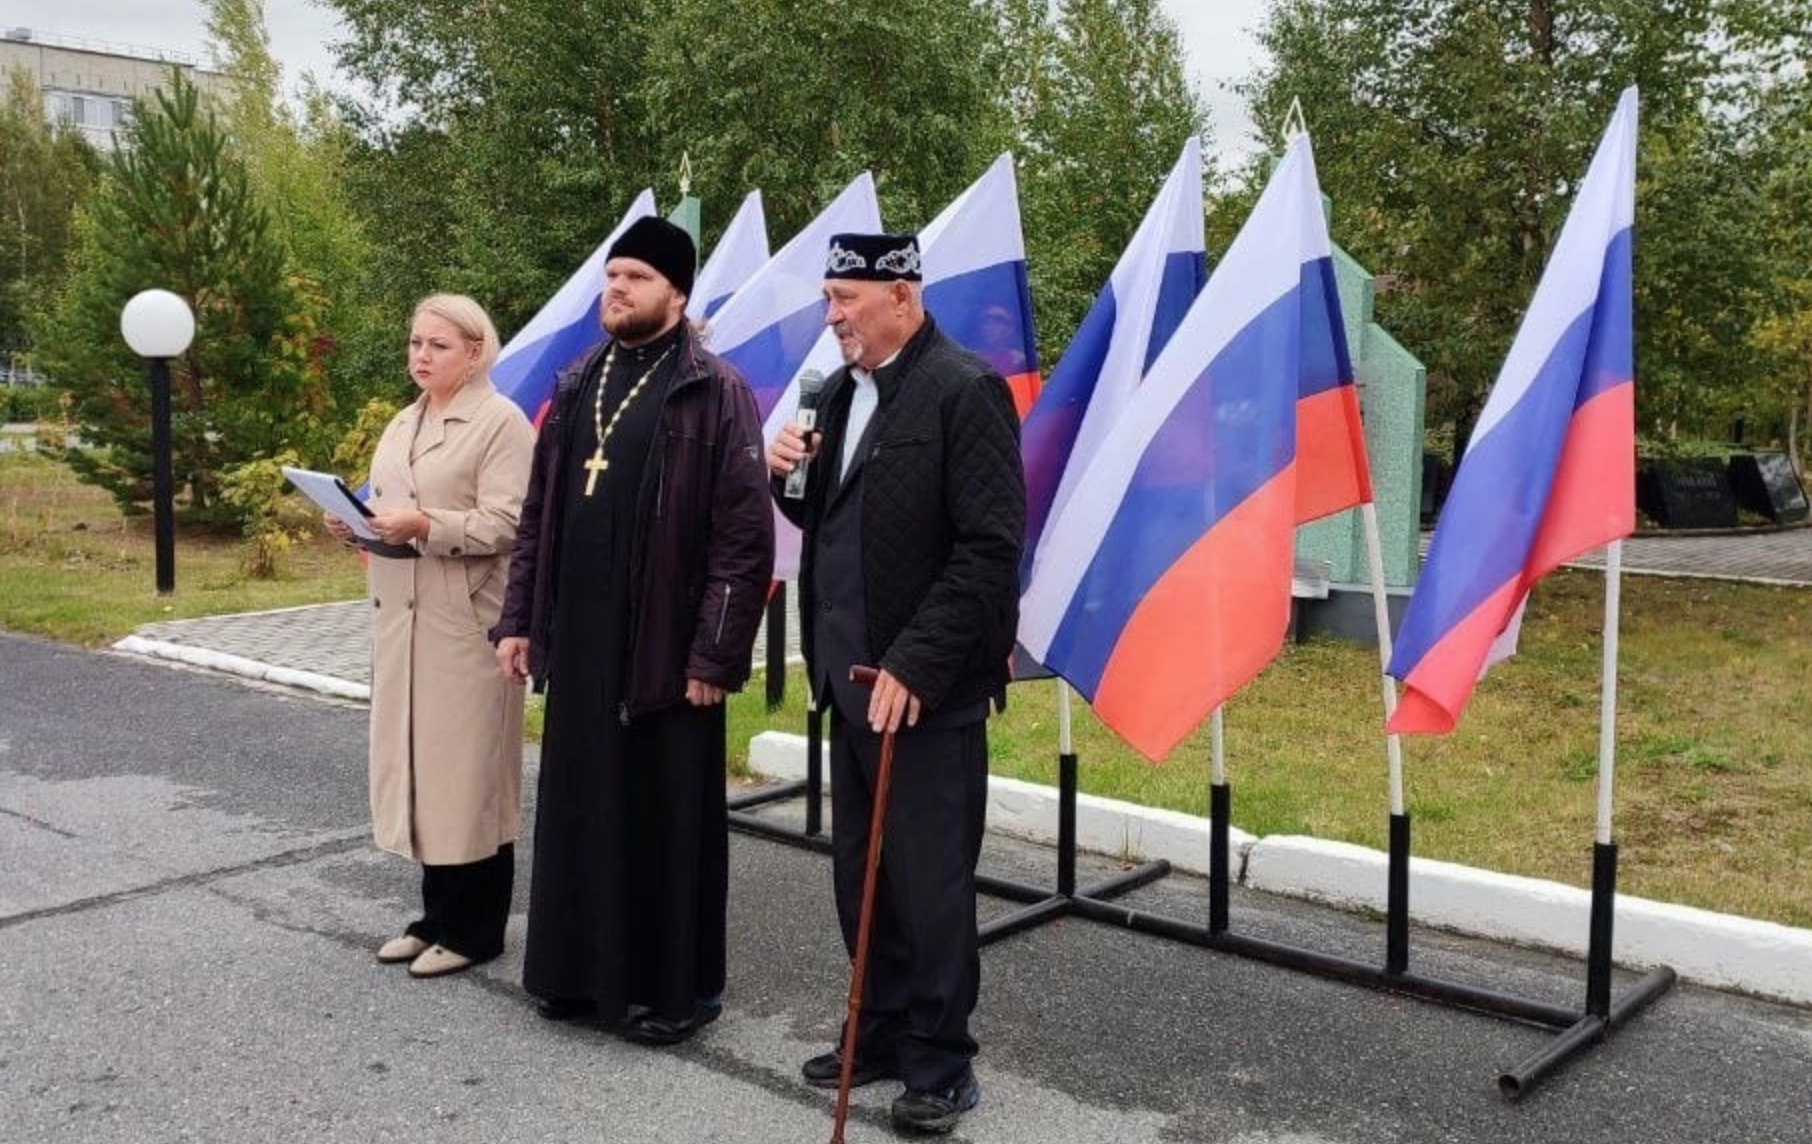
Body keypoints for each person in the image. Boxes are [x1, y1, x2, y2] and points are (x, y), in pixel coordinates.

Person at [492, 215, 773, 1044]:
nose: (616, 291)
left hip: (667, 647)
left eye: (637, 280)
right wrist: (520, 622)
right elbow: (539, 513)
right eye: (612, 278)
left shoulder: (714, 391)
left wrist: (715, 654)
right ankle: (573, 976)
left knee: (665, 818)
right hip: (580, 644)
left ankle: (673, 994)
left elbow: (743, 538)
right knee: (582, 806)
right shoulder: (580, 381)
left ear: (678, 295)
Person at [767, 233, 1025, 1134]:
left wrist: (917, 660)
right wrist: (784, 481)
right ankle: (874, 1029)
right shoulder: (839, 393)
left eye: (845, 298)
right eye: (830, 298)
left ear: (903, 298)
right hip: (849, 682)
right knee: (859, 878)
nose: (831, 316)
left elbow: (990, 551)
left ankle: (941, 1062)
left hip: (925, 690)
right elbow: (831, 517)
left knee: (929, 882)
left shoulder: (964, 391)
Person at [326, 293, 535, 979]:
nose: (420, 356)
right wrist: (354, 519)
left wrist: (426, 526)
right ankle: (434, 915)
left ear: (475, 352)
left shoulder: (500, 424)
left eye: (437, 346)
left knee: (469, 775)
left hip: (465, 619)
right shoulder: (405, 419)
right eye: (415, 343)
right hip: (403, 616)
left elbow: (509, 523)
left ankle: (477, 928)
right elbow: (388, 498)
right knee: (421, 769)